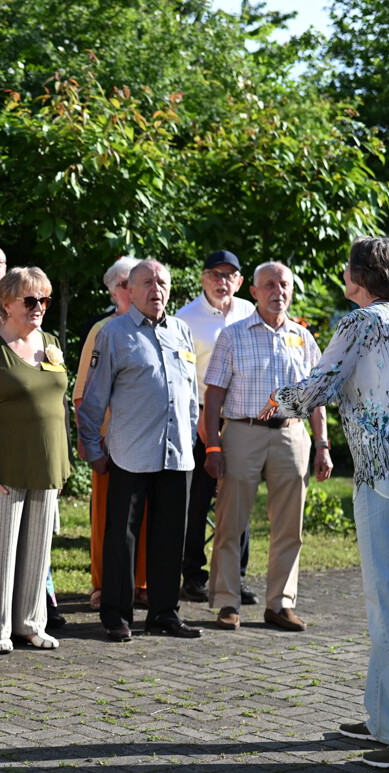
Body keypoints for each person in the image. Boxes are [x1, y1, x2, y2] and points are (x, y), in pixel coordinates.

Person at [259, 237, 389, 769]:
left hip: (386, 475)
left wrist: (274, 402)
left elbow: (319, 385)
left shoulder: (360, 323)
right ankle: (385, 720)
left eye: (347, 269)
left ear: (360, 276)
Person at [77, 260, 201, 643]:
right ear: (129, 290)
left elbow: (191, 395)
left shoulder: (181, 330)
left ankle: (164, 612)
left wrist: (191, 435)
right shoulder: (113, 334)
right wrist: (93, 448)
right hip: (130, 452)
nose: (156, 289)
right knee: (122, 538)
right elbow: (93, 399)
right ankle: (115, 614)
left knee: (169, 537)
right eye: (147, 282)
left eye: (162, 281)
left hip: (176, 454)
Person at [203, 262, 330, 631]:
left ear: (292, 291)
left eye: (284, 284)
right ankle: (227, 602)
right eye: (269, 285)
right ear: (254, 292)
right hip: (243, 431)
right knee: (231, 522)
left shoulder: (303, 338)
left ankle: (280, 604)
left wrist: (322, 445)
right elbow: (213, 398)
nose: (278, 291)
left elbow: (316, 396)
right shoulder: (233, 335)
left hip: (292, 434)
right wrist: (213, 447)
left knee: (290, 526)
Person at [0, 267, 70, 653]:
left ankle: (31, 623)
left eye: (44, 299)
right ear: (7, 304)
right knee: (0, 552)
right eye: (30, 300)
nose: (38, 307)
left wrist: (63, 461)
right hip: (2, 467)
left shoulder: (51, 344)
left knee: (38, 552)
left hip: (46, 466)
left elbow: (59, 404)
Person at [174, 250, 256, 604]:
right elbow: (182, 380)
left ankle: (235, 576)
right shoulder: (185, 319)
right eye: (215, 274)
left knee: (239, 498)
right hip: (199, 419)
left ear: (240, 281)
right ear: (203, 278)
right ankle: (193, 576)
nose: (223, 281)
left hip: (240, 418)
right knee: (196, 501)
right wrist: (201, 425)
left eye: (230, 275)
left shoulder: (250, 313)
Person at [72, 257, 147, 612]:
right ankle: (103, 585)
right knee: (106, 515)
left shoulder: (158, 326)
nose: (133, 290)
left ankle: (142, 582)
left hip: (149, 439)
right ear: (116, 290)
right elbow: (83, 392)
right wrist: (89, 440)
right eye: (125, 284)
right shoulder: (102, 329)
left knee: (146, 514)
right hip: (110, 439)